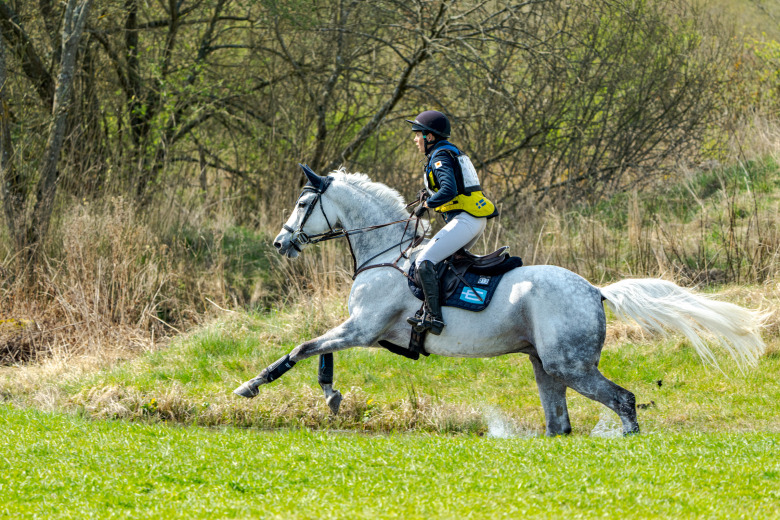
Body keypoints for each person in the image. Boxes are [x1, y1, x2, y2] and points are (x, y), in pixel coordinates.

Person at [405, 110, 498, 335]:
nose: (415, 139)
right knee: (439, 261)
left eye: (418, 135)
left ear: (429, 137)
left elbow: (449, 189)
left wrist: (427, 205)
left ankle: (434, 318)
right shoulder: (447, 152)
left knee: (425, 260)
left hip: (466, 220)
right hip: (470, 219)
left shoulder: (440, 156)